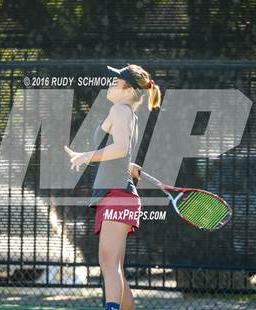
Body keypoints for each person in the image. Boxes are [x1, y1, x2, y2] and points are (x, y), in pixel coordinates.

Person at [64, 64, 161, 310]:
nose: (110, 83)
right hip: (119, 195)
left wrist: (87, 156)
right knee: (114, 267)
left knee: (108, 263)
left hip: (117, 196)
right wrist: (128, 165)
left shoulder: (121, 110)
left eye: (116, 81)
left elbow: (119, 148)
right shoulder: (122, 111)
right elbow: (121, 153)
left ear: (128, 90)